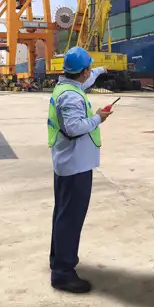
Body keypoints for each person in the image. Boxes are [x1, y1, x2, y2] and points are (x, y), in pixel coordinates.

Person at [47, 46, 112, 293]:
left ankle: (59, 262)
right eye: (89, 70)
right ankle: (63, 273)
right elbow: (74, 127)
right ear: (82, 72)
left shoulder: (67, 86)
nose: (89, 74)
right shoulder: (72, 96)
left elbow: (87, 79)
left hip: (68, 164)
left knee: (63, 216)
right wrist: (98, 118)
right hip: (75, 167)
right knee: (70, 219)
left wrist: (102, 70)